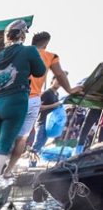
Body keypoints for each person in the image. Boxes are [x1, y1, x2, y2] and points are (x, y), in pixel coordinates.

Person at [0, 20, 46, 188]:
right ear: (23, 35)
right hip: (15, 101)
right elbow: (40, 71)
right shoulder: (29, 51)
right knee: (5, 143)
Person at [18, 32, 83, 169]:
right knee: (28, 141)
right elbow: (59, 73)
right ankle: (28, 165)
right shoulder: (50, 57)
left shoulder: (20, 53)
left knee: (17, 137)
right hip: (36, 110)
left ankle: (5, 169)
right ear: (46, 44)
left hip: (16, 99)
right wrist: (70, 90)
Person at [31, 74, 65, 158]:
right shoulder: (47, 92)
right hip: (42, 122)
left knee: (42, 144)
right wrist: (54, 105)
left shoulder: (56, 94)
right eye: (57, 80)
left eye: (61, 81)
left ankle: (34, 162)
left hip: (49, 124)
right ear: (52, 80)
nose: (59, 83)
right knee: (37, 144)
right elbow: (38, 107)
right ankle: (31, 163)